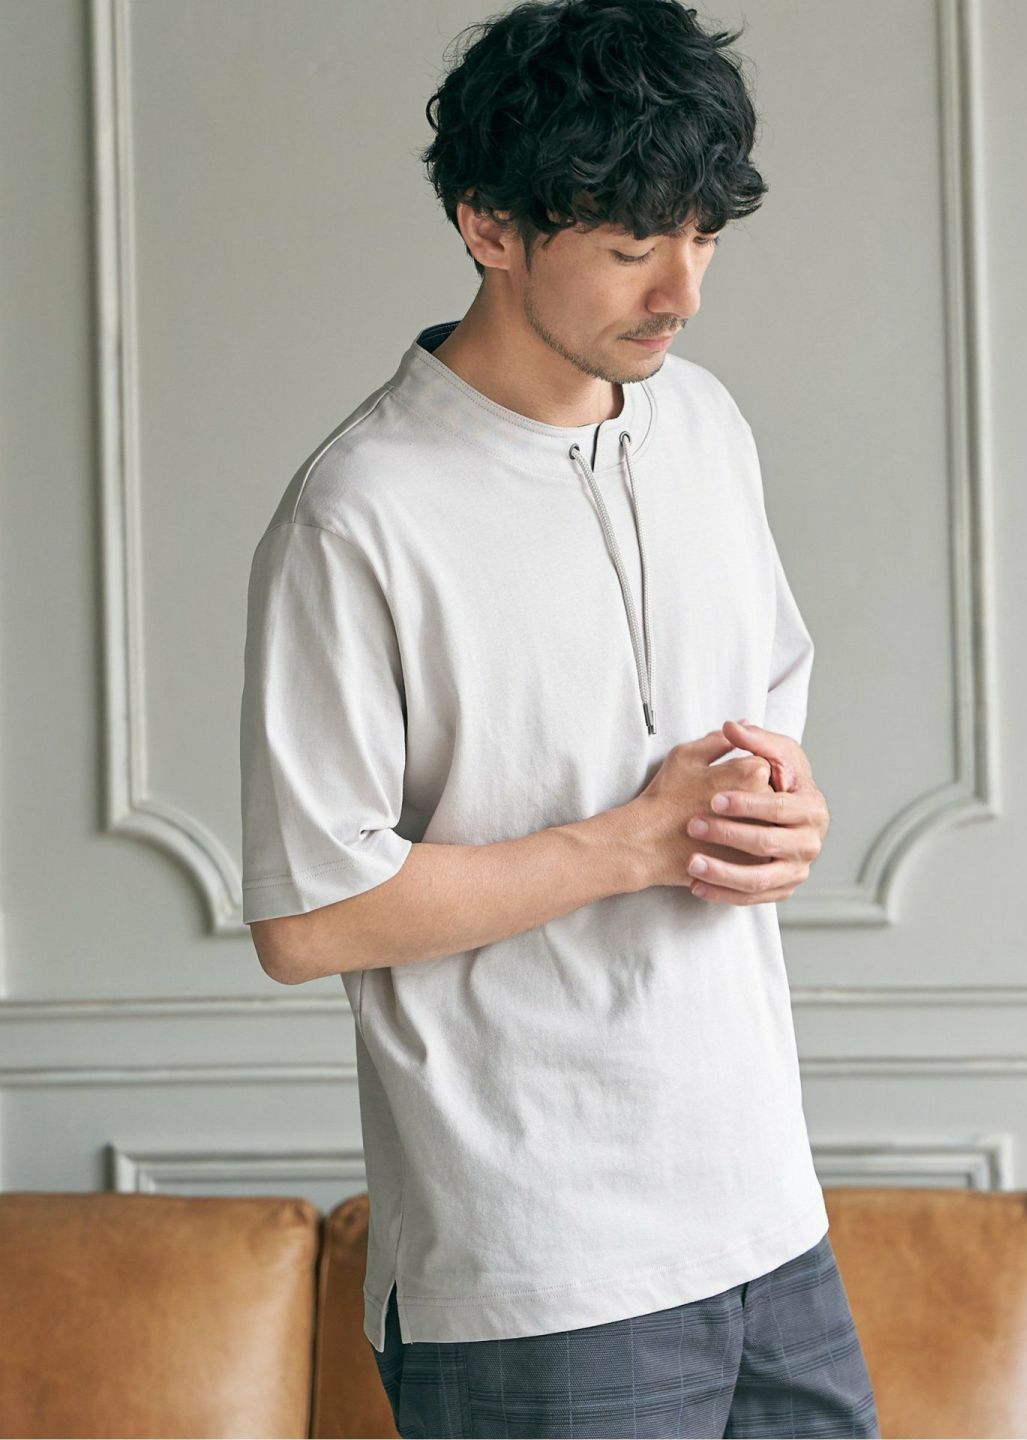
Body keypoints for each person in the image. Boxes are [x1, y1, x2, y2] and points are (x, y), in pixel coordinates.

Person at [239, 0, 880, 1434]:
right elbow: (308, 918)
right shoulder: (360, 513)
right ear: (490, 225)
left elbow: (756, 741)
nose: (682, 290)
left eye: (703, 235)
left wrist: (784, 819)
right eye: (632, 244)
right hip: (539, 1268)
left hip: (768, 1217)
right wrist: (630, 845)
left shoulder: (704, 424)